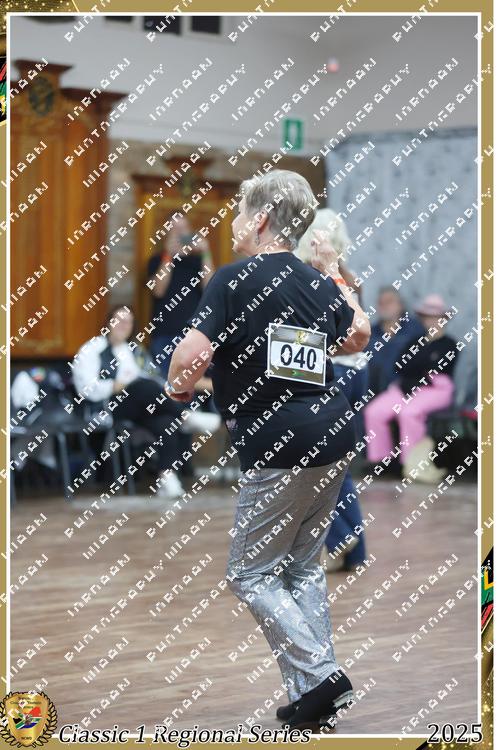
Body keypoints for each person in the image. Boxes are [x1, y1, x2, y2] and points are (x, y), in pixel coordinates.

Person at [165, 170, 371, 731]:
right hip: (334, 436)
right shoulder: (316, 281)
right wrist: (333, 272)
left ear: (259, 220)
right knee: (301, 568)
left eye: (238, 212)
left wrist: (177, 386)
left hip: (281, 447)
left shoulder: (231, 280)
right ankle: (313, 700)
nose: (233, 222)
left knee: (249, 573)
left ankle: (323, 675)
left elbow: (189, 356)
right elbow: (358, 335)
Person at [72, 305, 220, 499]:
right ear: (108, 323)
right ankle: (185, 416)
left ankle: (167, 479)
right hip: (106, 406)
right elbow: (85, 388)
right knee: (142, 386)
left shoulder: (134, 351)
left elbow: (154, 378)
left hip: (140, 406)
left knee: (166, 421)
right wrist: (114, 385)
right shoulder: (92, 349)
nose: (123, 325)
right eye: (119, 320)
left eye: (128, 322)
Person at [295, 208, 369, 573]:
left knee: (312, 463)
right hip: (356, 373)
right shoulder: (347, 276)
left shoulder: (312, 277)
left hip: (331, 373)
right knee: (337, 464)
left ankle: (340, 536)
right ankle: (355, 551)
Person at [364, 294, 458, 481]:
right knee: (374, 411)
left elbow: (437, 368)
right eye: (428, 316)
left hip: (436, 388)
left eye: (436, 317)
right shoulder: (415, 341)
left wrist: (420, 366)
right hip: (407, 386)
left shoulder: (449, 344)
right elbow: (401, 365)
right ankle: (381, 461)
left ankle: (412, 464)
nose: (431, 321)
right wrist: (423, 364)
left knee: (409, 413)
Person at [147, 216, 214, 377]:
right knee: (165, 384)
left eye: (183, 228)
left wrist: (206, 252)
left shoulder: (198, 261)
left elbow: (210, 290)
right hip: (164, 335)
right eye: (175, 229)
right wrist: (168, 256)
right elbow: (158, 290)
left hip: (195, 336)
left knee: (195, 385)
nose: (180, 233)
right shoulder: (156, 260)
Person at [368, 287, 425, 395]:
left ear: (401, 305)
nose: (384, 305)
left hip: (408, 393)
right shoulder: (369, 333)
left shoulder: (414, 329)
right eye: (380, 302)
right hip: (374, 394)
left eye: (389, 301)